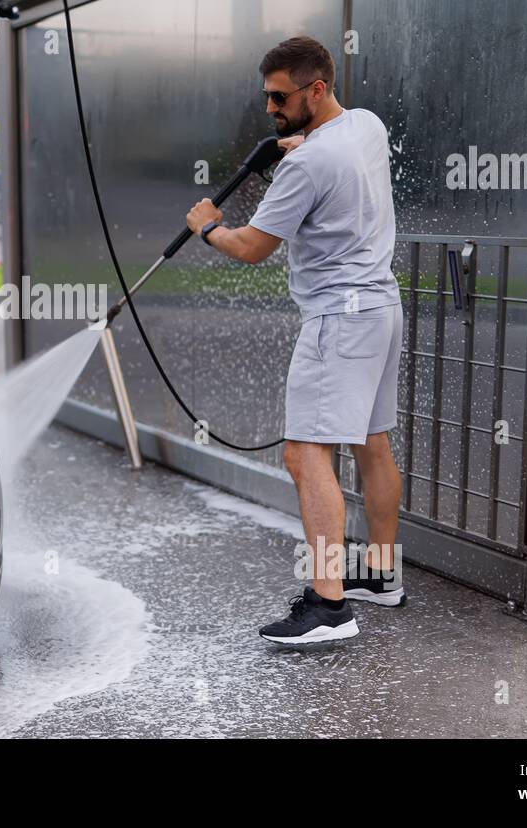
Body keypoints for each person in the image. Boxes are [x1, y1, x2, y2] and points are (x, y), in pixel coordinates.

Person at [185, 36, 406, 644]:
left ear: (316, 89)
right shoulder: (364, 125)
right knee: (372, 442)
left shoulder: (307, 164)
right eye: (266, 97)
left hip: (338, 321)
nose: (270, 109)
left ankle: (328, 604)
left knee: (304, 454)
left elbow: (253, 249)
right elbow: (332, 152)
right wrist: (301, 142)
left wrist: (208, 228)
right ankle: (382, 575)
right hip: (382, 309)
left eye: (280, 98)